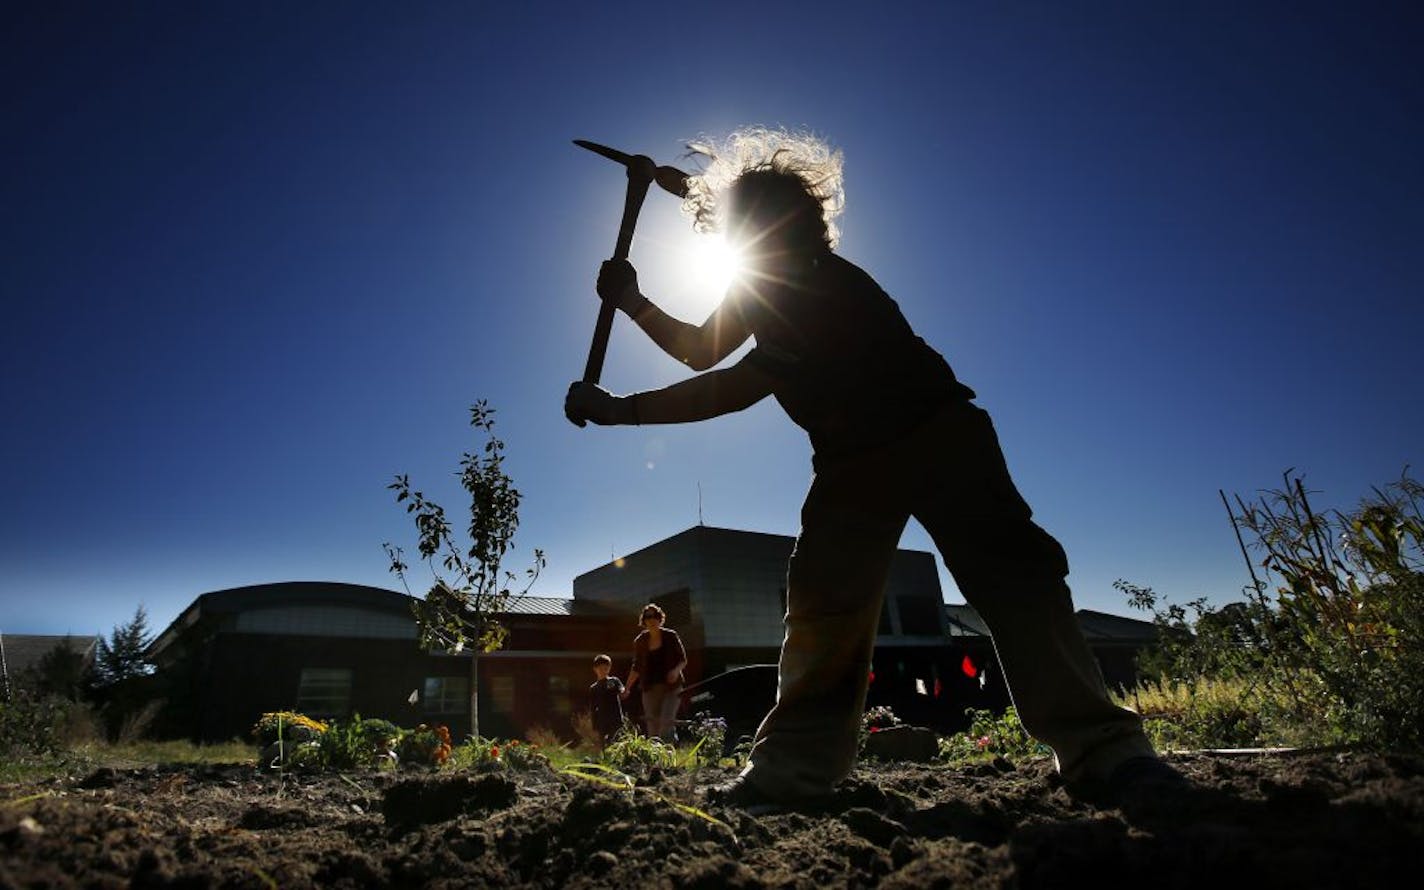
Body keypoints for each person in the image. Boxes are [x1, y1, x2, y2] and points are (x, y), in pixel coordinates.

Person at [565, 127, 1180, 809]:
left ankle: (1104, 751)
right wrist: (634, 303)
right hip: (852, 461)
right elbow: (698, 350)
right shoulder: (760, 287)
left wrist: (622, 408)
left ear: (802, 224)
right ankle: (794, 769)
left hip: (939, 434)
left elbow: (729, 386)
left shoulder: (832, 287)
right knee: (824, 602)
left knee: (1016, 578)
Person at [622, 603, 687, 743]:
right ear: (644, 620)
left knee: (666, 720)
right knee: (652, 725)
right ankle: (656, 760)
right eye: (648, 617)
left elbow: (683, 659)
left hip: (672, 687)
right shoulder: (640, 641)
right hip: (650, 688)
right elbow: (637, 666)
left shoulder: (670, 636)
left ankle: (671, 753)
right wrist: (627, 688)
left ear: (660, 618)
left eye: (655, 616)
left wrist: (675, 671)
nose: (651, 620)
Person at [588, 654, 626, 746]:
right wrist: (594, 724)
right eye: (600, 668)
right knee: (604, 744)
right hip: (602, 720)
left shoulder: (613, 681)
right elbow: (593, 707)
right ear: (595, 669)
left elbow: (622, 690)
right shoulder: (594, 688)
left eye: (606, 668)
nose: (603, 671)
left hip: (615, 718)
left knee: (616, 742)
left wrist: (623, 691)